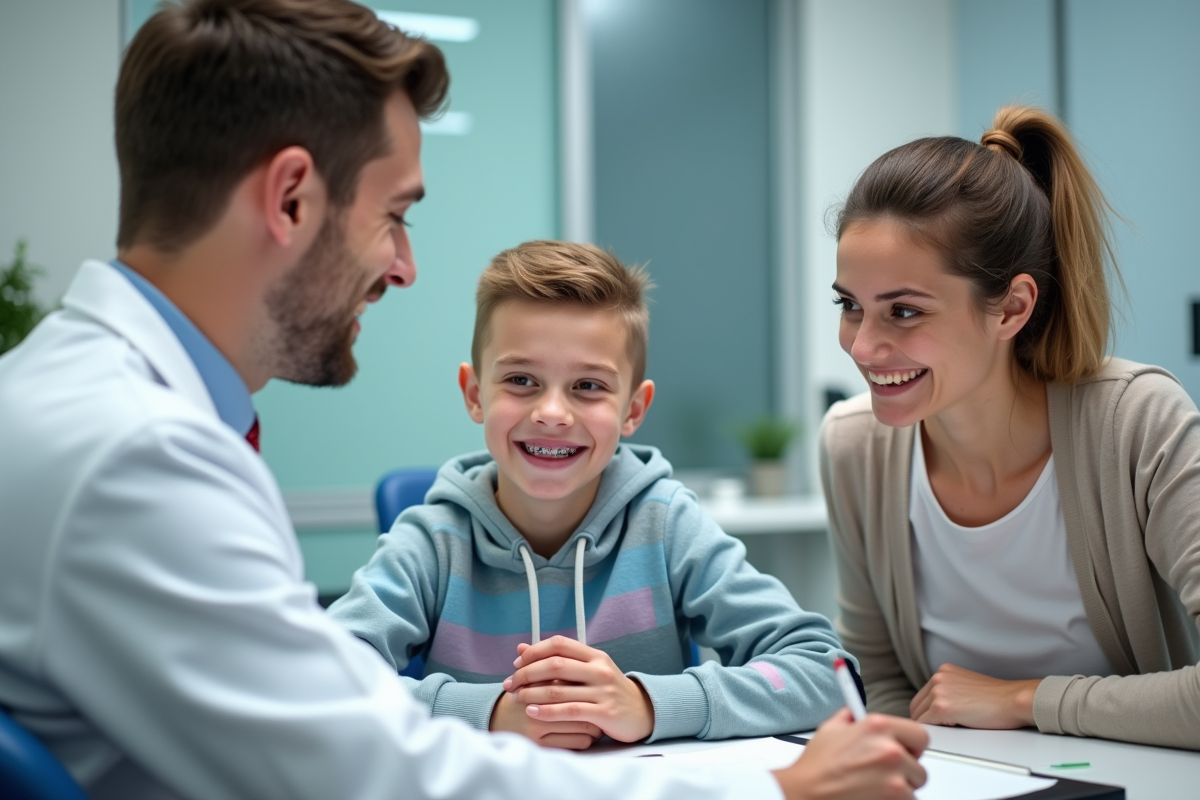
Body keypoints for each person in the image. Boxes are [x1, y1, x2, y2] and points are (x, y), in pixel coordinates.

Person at [0, 0, 930, 798]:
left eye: (588, 387)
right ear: (289, 199)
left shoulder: (86, 408)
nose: (405, 266)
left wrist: (651, 705)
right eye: (395, 215)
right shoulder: (137, 458)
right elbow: (367, 766)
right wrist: (769, 791)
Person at [329, 241, 854, 750]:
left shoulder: (665, 524)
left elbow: (825, 674)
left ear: (633, 410)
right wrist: (487, 714)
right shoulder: (432, 540)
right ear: (474, 395)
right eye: (521, 379)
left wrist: (649, 704)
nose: (552, 413)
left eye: (588, 386)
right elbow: (319, 680)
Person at [820, 104, 1200, 751]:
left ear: (1012, 308)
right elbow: (877, 679)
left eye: (904, 311)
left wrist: (1022, 700)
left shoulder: (1138, 422)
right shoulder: (853, 445)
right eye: (850, 305)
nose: (861, 347)